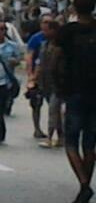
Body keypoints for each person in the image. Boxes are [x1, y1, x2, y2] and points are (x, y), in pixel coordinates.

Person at [54, 0, 96, 203]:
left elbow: (57, 60)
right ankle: (85, 186)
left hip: (74, 91)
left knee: (71, 142)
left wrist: (57, 86)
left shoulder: (67, 32)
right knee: (90, 144)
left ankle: (83, 183)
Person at [35, 18, 63, 149]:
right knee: (55, 111)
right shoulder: (44, 45)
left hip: (58, 82)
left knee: (53, 109)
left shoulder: (62, 46)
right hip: (45, 81)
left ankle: (50, 137)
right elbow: (40, 63)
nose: (44, 33)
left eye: (46, 30)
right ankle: (61, 136)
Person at [25, 18, 50, 140]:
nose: (46, 25)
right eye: (45, 22)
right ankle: (37, 128)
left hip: (51, 75)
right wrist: (30, 75)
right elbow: (29, 56)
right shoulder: (36, 38)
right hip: (37, 75)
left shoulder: (55, 37)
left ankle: (56, 129)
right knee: (36, 103)